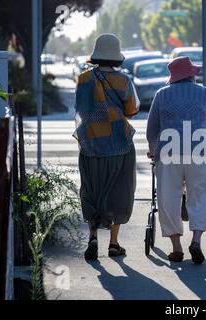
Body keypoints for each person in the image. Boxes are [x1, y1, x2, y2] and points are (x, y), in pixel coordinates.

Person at [146, 56, 206, 264]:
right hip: (199, 152)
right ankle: (197, 242)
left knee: (168, 198)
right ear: (191, 75)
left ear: (173, 76)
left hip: (168, 153)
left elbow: (152, 128)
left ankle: (176, 248)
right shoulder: (205, 93)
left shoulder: (161, 94)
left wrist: (153, 150)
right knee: (202, 194)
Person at [73, 34, 140, 261]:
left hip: (91, 143)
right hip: (119, 143)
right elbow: (131, 110)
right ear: (116, 56)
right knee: (120, 190)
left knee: (92, 189)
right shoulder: (123, 80)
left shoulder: (83, 79)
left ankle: (92, 236)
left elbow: (80, 110)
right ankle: (113, 243)